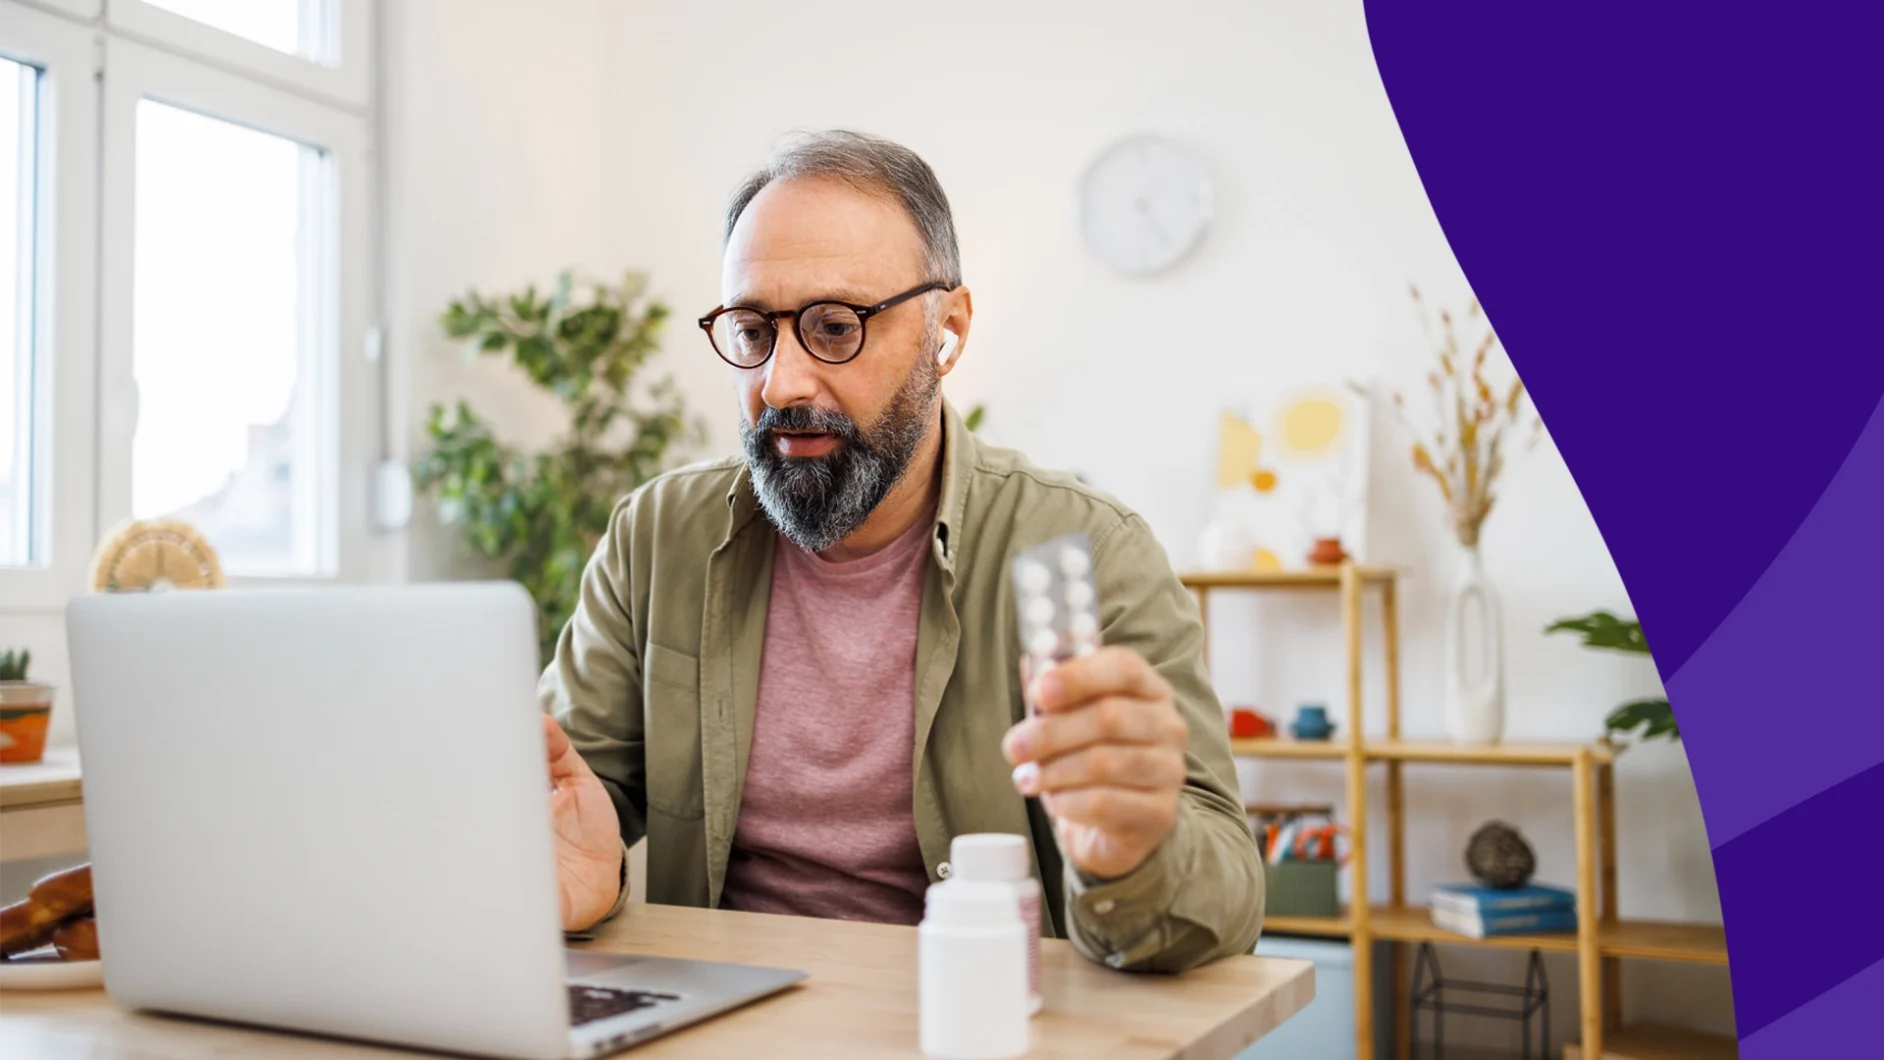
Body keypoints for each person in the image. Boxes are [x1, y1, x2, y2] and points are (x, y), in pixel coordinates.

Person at [542, 130, 1263, 972]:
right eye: (751, 331)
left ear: (946, 331)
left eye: (836, 327)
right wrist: (553, 866)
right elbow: (568, 795)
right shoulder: (659, 537)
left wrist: (1137, 852)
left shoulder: (1089, 552)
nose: (781, 384)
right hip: (720, 1024)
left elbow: (1229, 905)